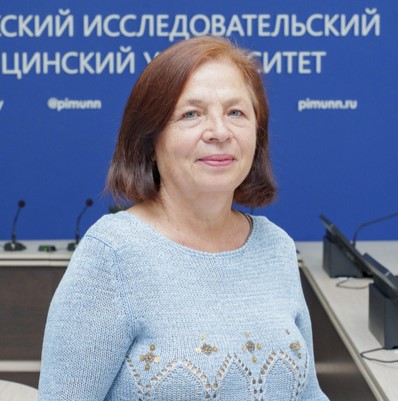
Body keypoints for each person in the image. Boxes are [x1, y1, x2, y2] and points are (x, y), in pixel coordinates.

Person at [39, 36, 328, 400]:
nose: (219, 132)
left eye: (236, 113)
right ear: (150, 140)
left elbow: (308, 393)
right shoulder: (111, 256)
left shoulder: (276, 247)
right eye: (191, 114)